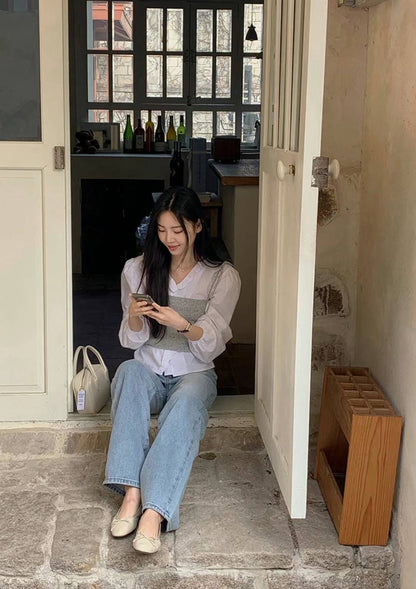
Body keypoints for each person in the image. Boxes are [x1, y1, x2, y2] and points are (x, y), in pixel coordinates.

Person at [104, 187, 241, 554]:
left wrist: (182, 324)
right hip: (149, 368)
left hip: (195, 372)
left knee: (188, 404)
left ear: (197, 226)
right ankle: (131, 493)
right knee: (128, 372)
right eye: (162, 230)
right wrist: (135, 318)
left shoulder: (221, 276)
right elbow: (130, 341)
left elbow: (212, 343)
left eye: (178, 230)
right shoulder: (137, 269)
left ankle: (154, 511)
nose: (169, 239)